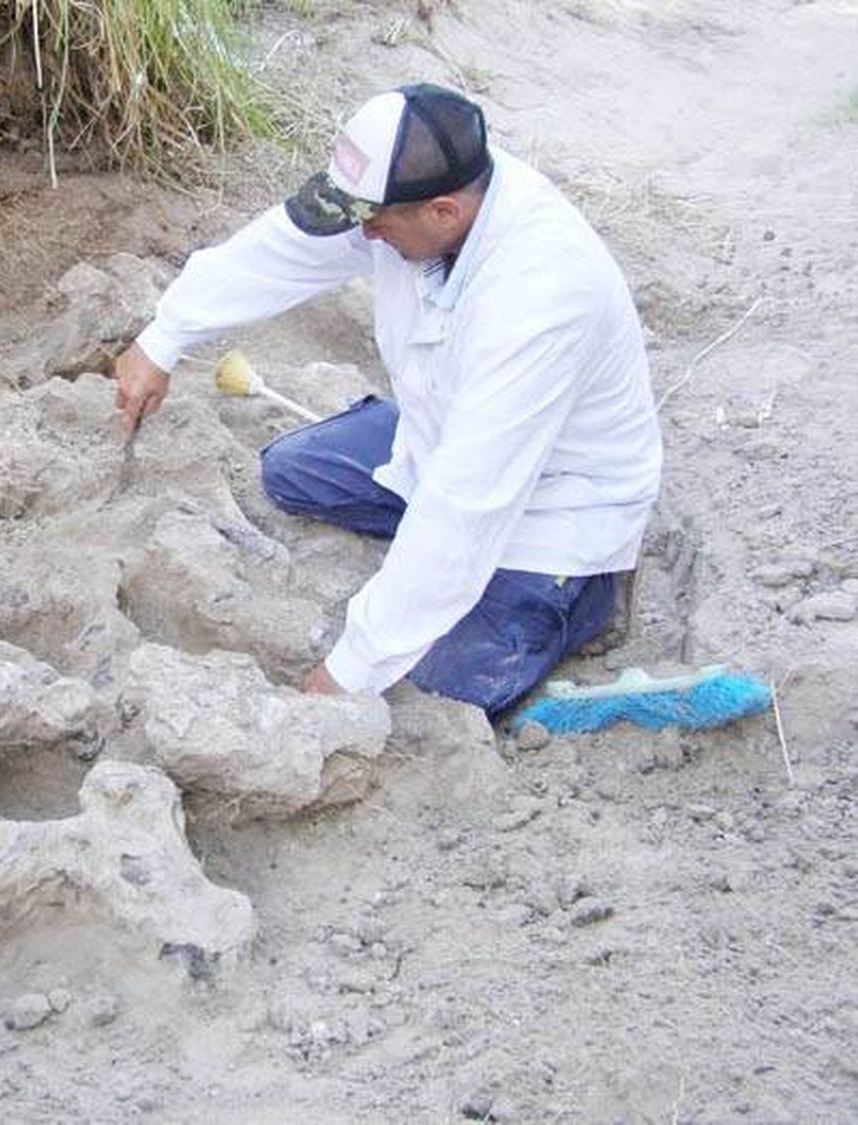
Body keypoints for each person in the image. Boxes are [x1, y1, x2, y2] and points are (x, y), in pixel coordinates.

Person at [112, 83, 662, 720]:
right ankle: (427, 560)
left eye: (374, 221)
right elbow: (285, 250)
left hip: (555, 507)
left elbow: (466, 501)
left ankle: (581, 597)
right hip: (449, 438)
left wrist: (350, 668)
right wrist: (166, 336)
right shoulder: (411, 200)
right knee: (292, 472)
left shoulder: (541, 296)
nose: (364, 234)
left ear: (442, 213)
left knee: (423, 696)